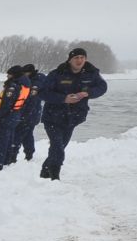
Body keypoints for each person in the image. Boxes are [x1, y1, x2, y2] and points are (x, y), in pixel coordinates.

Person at [36, 48, 107, 179]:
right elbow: (42, 93)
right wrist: (63, 99)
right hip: (53, 117)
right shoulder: (57, 74)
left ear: (85, 59)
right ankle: (54, 176)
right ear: (70, 60)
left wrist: (88, 93)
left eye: (82, 57)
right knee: (57, 146)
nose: (79, 60)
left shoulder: (91, 73)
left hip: (74, 117)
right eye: (76, 58)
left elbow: (102, 87)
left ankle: (45, 170)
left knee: (60, 147)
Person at [0, 65, 35, 170]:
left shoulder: (13, 86)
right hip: (16, 115)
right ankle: (6, 161)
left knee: (1, 141)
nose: (7, 76)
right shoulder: (25, 85)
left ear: (14, 75)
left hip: (7, 116)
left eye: (9, 74)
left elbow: (6, 104)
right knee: (9, 139)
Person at [15, 63, 45, 162]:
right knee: (27, 134)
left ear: (30, 72)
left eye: (25, 73)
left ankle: (14, 154)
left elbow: (32, 98)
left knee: (19, 134)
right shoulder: (31, 81)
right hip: (31, 113)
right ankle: (29, 154)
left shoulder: (36, 82)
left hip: (31, 113)